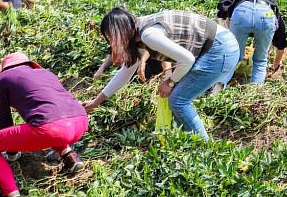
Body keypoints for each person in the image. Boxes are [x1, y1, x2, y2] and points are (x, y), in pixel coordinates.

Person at [83, 8, 239, 141]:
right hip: (217, 45)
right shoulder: (137, 33)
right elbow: (125, 73)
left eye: (111, 37)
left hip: (220, 48)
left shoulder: (148, 35)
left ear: (121, 31)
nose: (111, 42)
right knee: (177, 98)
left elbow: (187, 59)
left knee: (178, 100)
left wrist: (169, 82)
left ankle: (205, 149)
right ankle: (188, 143)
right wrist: (97, 102)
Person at [0, 52, 88, 197]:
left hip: (51, 128)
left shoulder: (1, 80)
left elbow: (4, 117)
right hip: (80, 122)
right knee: (48, 120)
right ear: (29, 64)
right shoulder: (46, 73)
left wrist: (10, 152)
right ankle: (70, 157)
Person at [216, 0, 287, 84]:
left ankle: (217, 88)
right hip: (265, 13)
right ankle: (255, 93)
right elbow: (280, 35)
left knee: (233, 56)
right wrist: (276, 64)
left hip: (242, 11)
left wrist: (227, 25)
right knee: (260, 60)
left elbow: (223, 5)